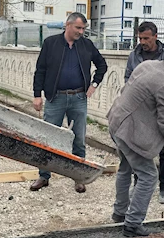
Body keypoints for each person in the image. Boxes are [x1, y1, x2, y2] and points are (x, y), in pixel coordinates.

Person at [108, 41, 164, 237]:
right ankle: (132, 223)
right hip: (129, 131)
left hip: (116, 122)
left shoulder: (146, 65)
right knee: (149, 176)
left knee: (125, 167)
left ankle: (119, 212)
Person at [31, 12, 107, 193]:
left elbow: (102, 65)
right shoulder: (51, 44)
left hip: (79, 98)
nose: (81, 32)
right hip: (55, 98)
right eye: (78, 28)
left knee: (78, 139)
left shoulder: (87, 45)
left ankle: (78, 176)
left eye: (83, 28)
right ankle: (44, 175)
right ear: (68, 25)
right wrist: (37, 95)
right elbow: (40, 70)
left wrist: (94, 84)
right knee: (49, 137)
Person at [124, 21, 164, 205]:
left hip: (161, 108)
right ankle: (138, 183)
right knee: (138, 148)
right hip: (140, 112)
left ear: (156, 37)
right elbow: (128, 78)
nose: (142, 41)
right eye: (140, 38)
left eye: (146, 38)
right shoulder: (134, 55)